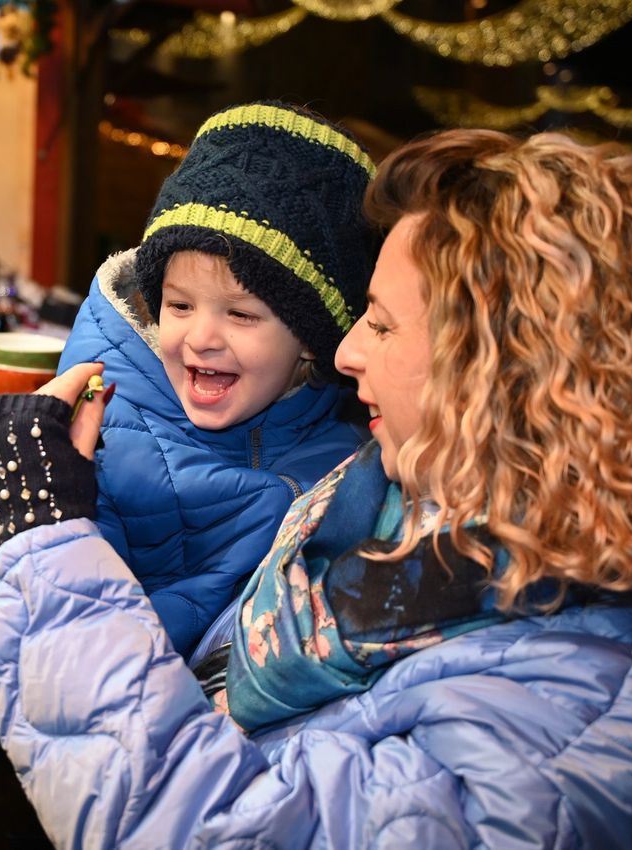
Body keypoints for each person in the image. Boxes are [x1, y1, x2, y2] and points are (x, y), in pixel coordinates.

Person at [0, 129, 632, 848]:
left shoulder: (552, 725)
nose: (346, 350)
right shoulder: (396, 505)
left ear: (501, 368)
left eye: (380, 324)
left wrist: (49, 535)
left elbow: (222, 831)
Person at [55, 102, 377, 659]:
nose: (201, 336)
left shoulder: (351, 454)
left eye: (242, 314)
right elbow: (67, 610)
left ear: (309, 338)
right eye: (179, 305)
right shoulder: (109, 417)